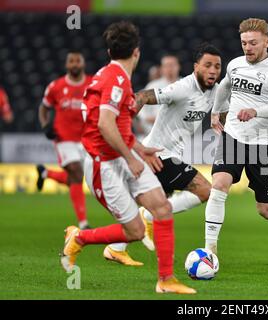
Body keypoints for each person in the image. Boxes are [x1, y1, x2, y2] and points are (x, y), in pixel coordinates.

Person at [60, 21, 195, 294]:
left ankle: (166, 280)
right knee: (134, 231)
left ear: (110, 50)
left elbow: (117, 125)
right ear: (137, 52)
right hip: (104, 165)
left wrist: (138, 149)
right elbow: (105, 126)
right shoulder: (116, 79)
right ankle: (80, 237)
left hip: (122, 156)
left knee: (162, 208)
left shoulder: (110, 75)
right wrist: (132, 157)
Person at [105, 43, 223, 265]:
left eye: (217, 66)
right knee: (206, 191)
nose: (213, 71)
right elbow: (142, 96)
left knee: (159, 203)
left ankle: (115, 247)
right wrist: (124, 128)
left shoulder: (215, 92)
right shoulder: (182, 88)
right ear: (196, 66)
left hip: (168, 155)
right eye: (207, 65)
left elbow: (223, 109)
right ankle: (145, 219)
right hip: (159, 155)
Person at [206, 18, 268, 255]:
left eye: (253, 43)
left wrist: (256, 111)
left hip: (263, 144)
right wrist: (216, 111)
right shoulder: (235, 64)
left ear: (267, 42)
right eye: (244, 42)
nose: (248, 48)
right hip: (233, 137)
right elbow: (224, 86)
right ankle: (210, 250)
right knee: (219, 184)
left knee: (266, 211)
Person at [36, 51, 92, 229]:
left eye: (78, 61)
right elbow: (43, 109)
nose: (75, 64)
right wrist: (46, 126)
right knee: (76, 172)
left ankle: (46, 173)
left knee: (75, 178)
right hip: (63, 137)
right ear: (67, 65)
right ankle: (83, 223)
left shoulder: (93, 84)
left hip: (85, 138)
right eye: (71, 61)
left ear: (83, 63)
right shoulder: (56, 86)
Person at [136, 54, 181, 135]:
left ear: (178, 66)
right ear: (161, 69)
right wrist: (146, 118)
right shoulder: (153, 86)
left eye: (172, 65)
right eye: (166, 65)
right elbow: (141, 107)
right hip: (156, 131)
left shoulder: (185, 85)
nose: (170, 68)